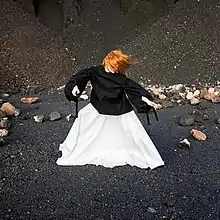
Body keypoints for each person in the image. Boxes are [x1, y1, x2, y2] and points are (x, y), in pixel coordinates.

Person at [56, 50, 164, 169]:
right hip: (98, 106)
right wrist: (75, 88)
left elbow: (134, 89)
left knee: (132, 133)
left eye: (118, 67)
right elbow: (80, 77)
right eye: (114, 66)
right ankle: (82, 148)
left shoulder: (121, 78)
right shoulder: (95, 71)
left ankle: (140, 154)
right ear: (107, 62)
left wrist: (147, 101)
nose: (115, 70)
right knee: (84, 121)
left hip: (119, 108)